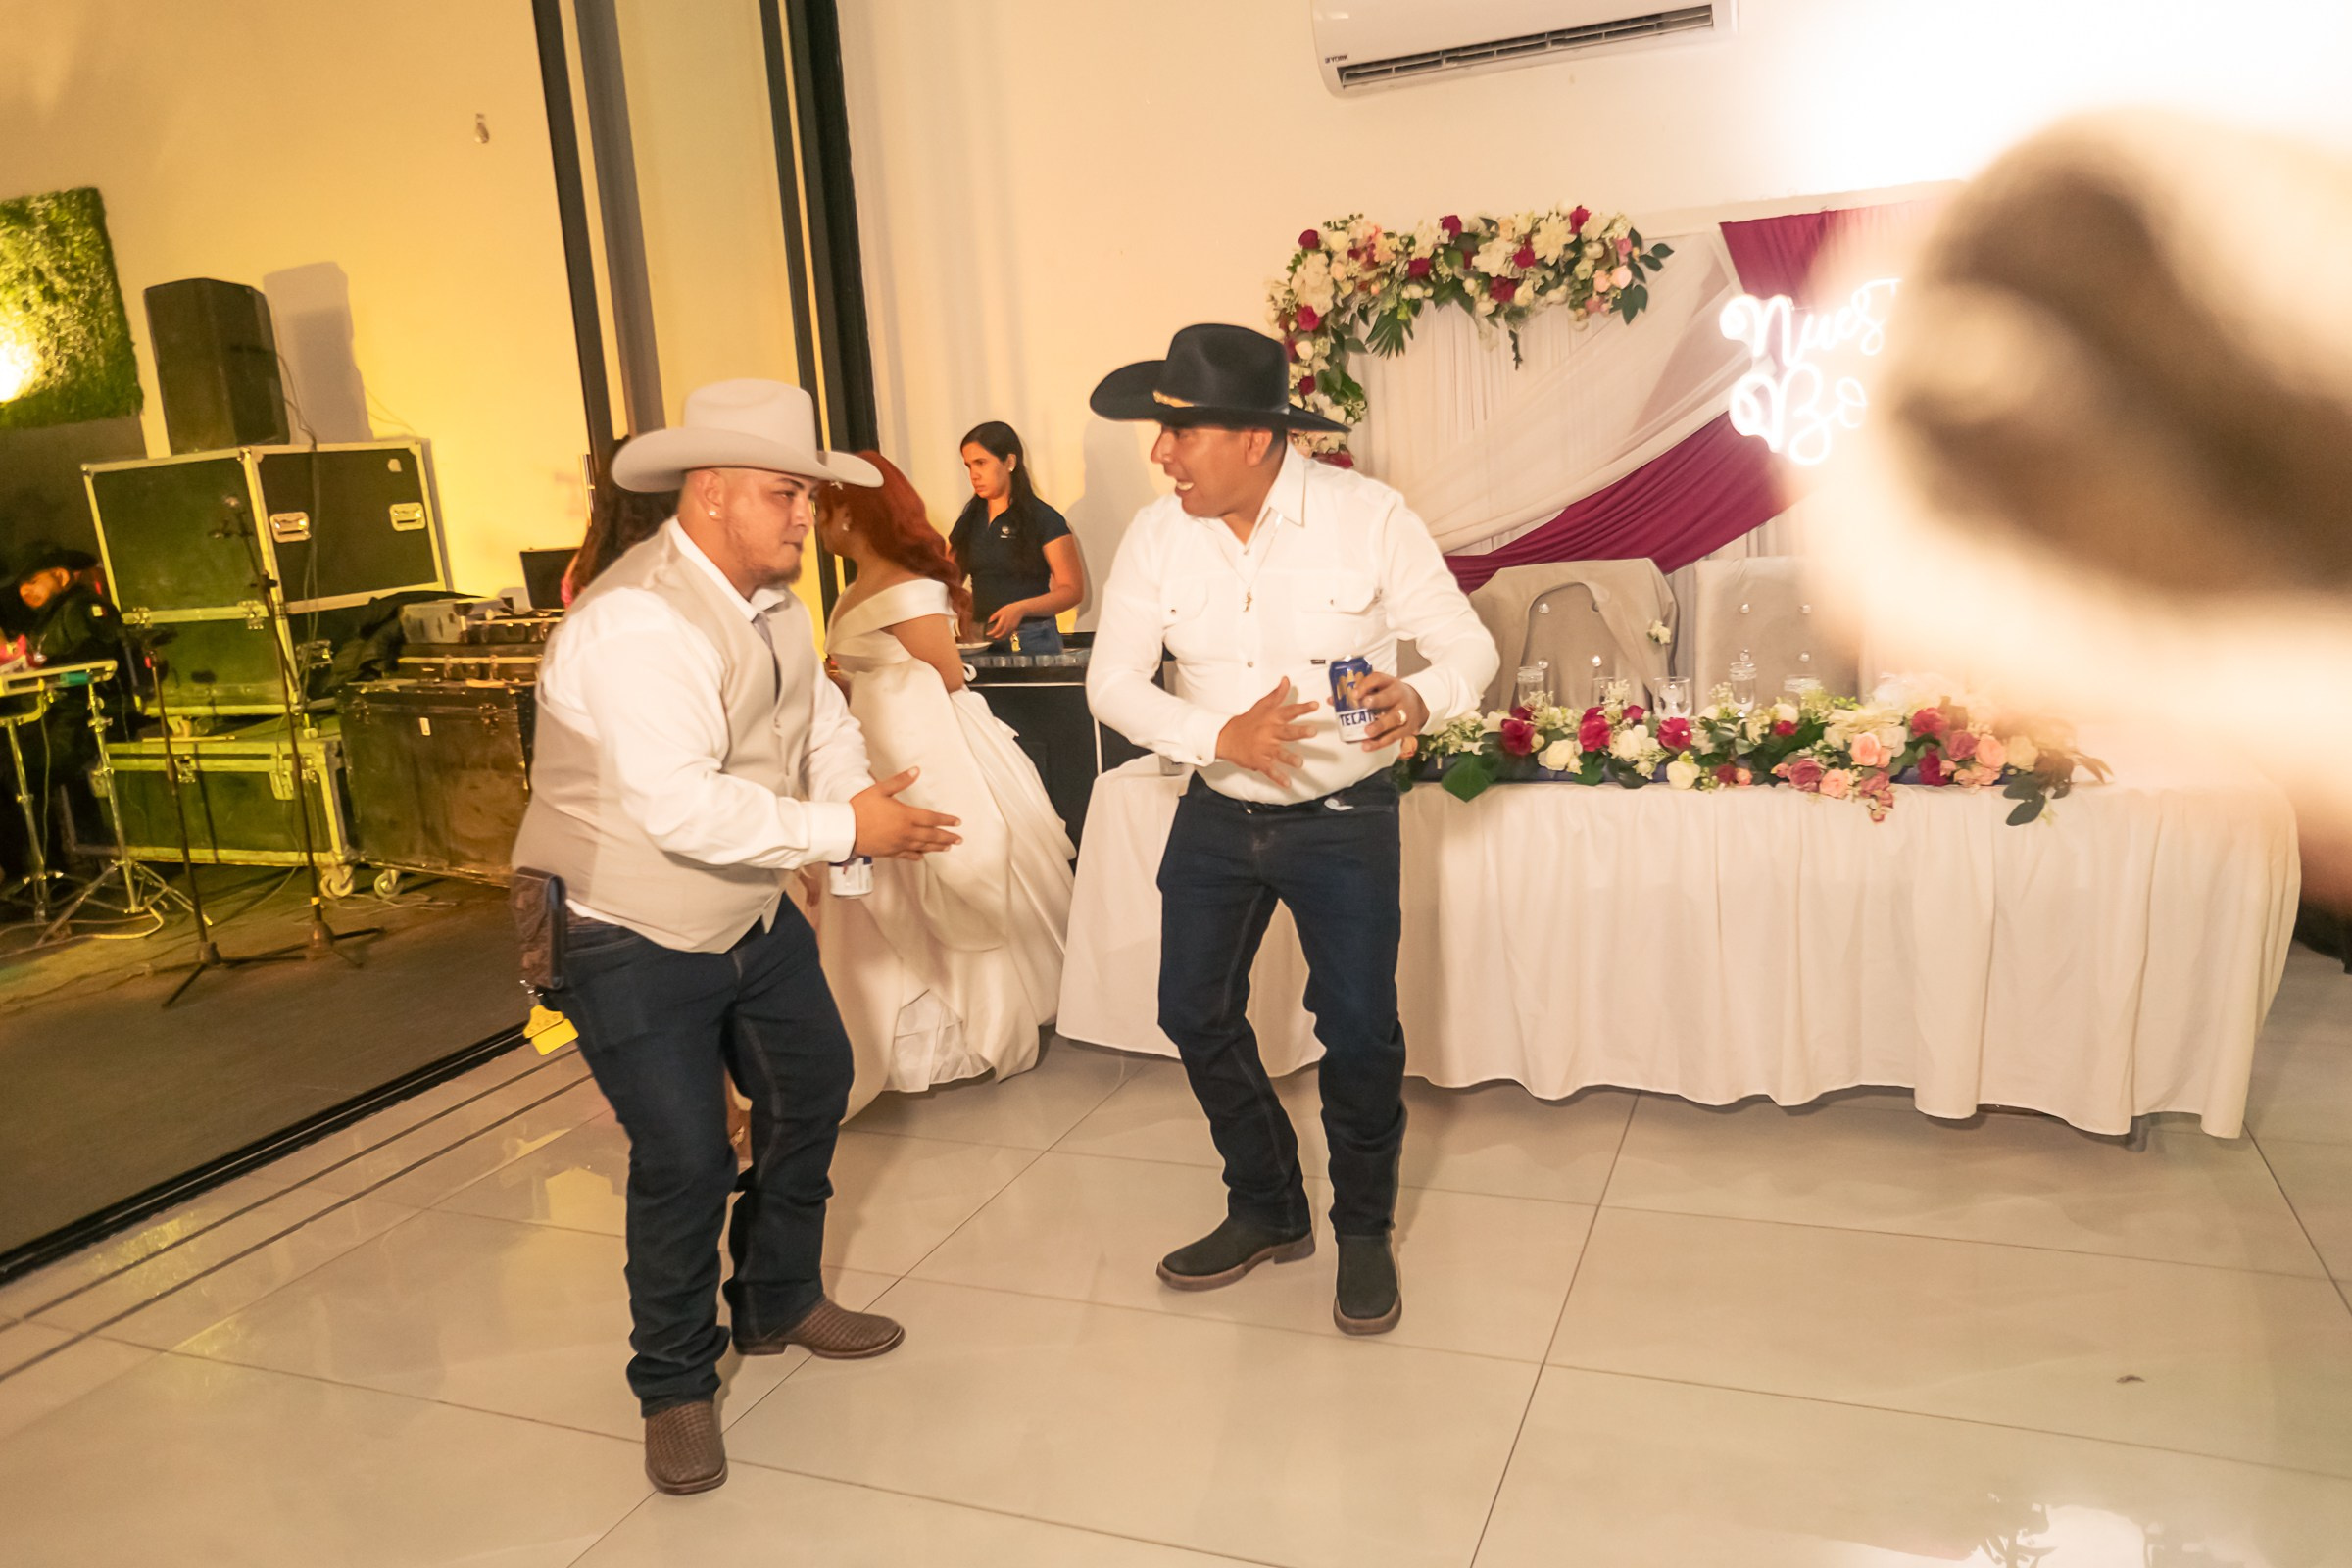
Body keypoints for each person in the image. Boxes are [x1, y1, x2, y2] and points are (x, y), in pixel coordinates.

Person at [510, 379, 961, 1495]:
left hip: (744, 911)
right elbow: (679, 807)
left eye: (808, 498)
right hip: (625, 924)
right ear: (708, 495)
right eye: (783, 497)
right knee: (685, 1158)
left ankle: (779, 1299)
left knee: (814, 1085)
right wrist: (843, 828)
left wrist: (849, 831)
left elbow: (820, 733)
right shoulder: (634, 621)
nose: (806, 520)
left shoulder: (782, 610)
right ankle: (672, 1383)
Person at [1086, 323, 1497, 1336]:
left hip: (1346, 818)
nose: (1161, 453)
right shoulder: (1156, 536)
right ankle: (1267, 1202)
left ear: (1258, 440)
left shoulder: (1368, 517)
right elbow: (1112, 682)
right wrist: (1214, 732)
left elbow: (1466, 647)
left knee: (1358, 1030)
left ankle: (1362, 1233)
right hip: (1218, 813)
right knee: (1192, 1010)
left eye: (1181, 431)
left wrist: (1425, 696)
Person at [813, 451, 1075, 1100]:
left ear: (849, 511)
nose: (815, 524)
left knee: (947, 868)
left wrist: (864, 679)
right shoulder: (853, 588)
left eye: (820, 509)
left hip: (928, 746)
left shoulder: (906, 585)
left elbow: (948, 674)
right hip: (872, 744)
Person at [948, 421, 1083, 654]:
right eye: (969, 466)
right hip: (980, 642)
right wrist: (961, 606)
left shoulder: (1043, 518)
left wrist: (1021, 608)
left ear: (1010, 462)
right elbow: (947, 579)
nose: (974, 475)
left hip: (1032, 639)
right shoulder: (969, 520)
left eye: (981, 463)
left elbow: (1072, 590)